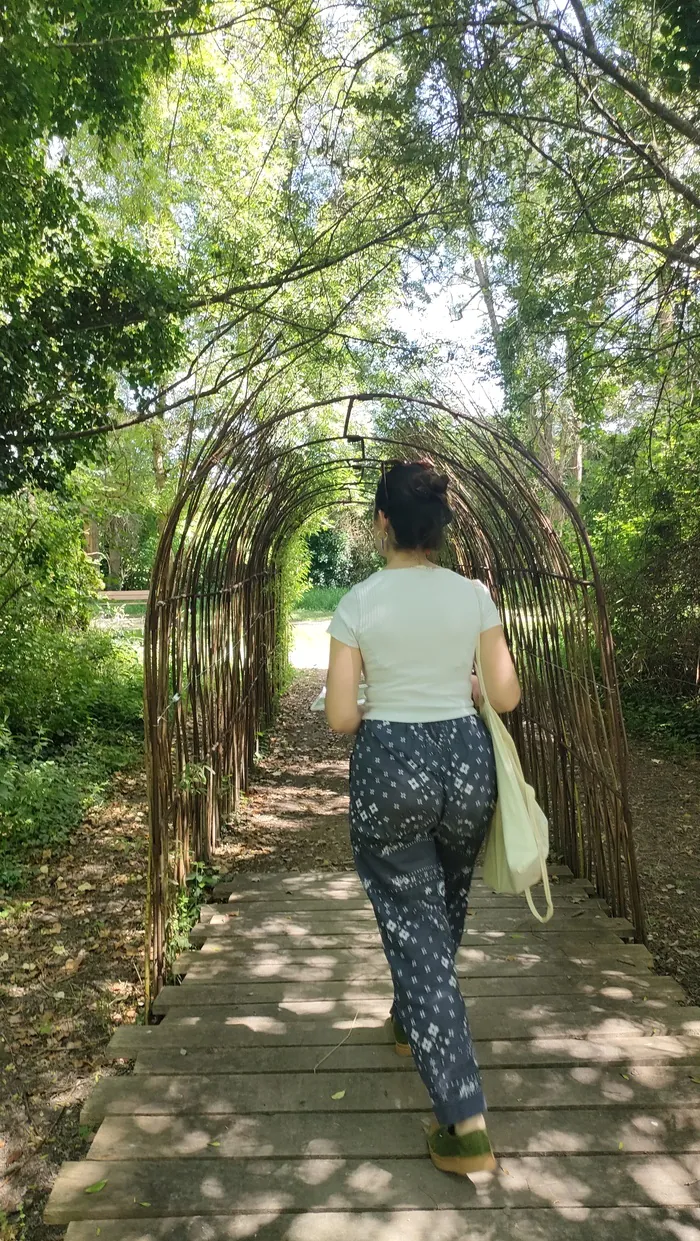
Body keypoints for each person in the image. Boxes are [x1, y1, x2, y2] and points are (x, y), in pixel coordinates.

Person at [324, 460, 520, 1177]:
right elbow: (504, 695)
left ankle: (464, 1122)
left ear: (382, 523)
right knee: (442, 905)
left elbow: (342, 716)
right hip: (466, 764)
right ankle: (413, 1018)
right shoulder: (474, 596)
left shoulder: (358, 604)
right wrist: (458, 681)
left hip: (391, 767)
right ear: (441, 526)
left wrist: (390, 699)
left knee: (415, 920)